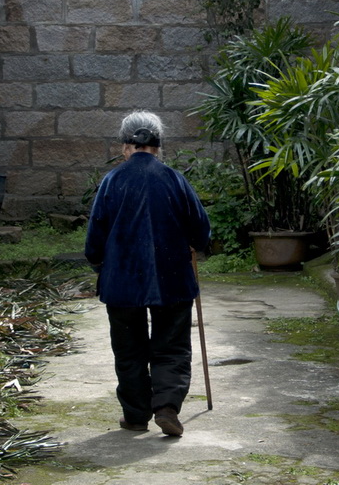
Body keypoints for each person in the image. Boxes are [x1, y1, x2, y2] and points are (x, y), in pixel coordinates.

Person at [85, 110, 211, 437]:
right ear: (158, 146)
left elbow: (95, 234)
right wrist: (197, 244)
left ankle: (136, 415)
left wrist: (99, 263)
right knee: (171, 345)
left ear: (126, 146)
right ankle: (167, 407)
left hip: (122, 281)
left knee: (129, 349)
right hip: (172, 279)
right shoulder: (174, 179)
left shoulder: (112, 181)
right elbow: (200, 227)